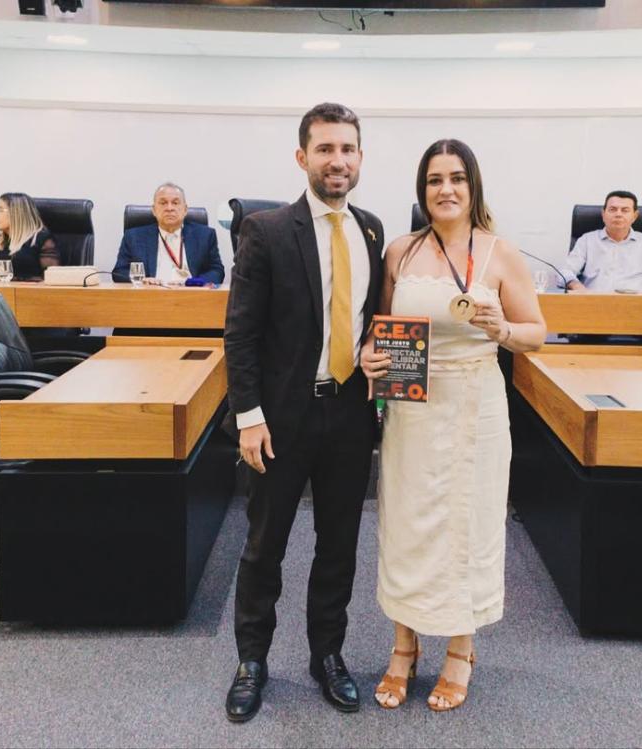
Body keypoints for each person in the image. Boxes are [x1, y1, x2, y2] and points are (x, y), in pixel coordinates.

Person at [361, 139, 546, 712]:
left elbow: (537, 331)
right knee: (409, 522)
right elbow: (380, 327)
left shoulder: (500, 253)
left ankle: (461, 650)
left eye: (457, 179)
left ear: (473, 187)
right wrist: (369, 353)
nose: (446, 189)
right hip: (412, 406)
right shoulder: (399, 251)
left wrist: (503, 330)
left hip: (476, 404)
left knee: (468, 525)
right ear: (422, 191)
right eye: (435, 179)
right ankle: (403, 646)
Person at [222, 103, 384, 723]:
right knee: (265, 545)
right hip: (281, 420)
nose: (337, 160)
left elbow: (369, 317)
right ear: (302, 158)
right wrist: (249, 417)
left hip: (348, 416)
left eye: (347, 149)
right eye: (324, 149)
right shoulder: (265, 231)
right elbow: (240, 336)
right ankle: (252, 661)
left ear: (361, 158)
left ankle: (328, 657)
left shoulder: (371, 228)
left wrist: (372, 345)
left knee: (339, 544)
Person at [559, 190, 642, 292]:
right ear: (603, 214)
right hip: (593, 305)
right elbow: (564, 271)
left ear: (635, 216)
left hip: (636, 307)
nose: (618, 214)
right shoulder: (586, 241)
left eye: (625, 210)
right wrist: (578, 287)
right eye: (613, 209)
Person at [111, 183, 224, 286]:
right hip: (150, 296)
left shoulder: (205, 235)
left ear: (185, 210)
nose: (169, 208)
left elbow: (217, 271)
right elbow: (119, 272)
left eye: (175, 203)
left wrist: (193, 282)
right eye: (163, 203)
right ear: (154, 210)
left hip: (191, 295)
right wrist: (143, 280)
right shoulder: (134, 237)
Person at [0, 193, 59, 280]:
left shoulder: (41, 239)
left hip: (31, 296)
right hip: (1, 295)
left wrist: (8, 276)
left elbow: (52, 277)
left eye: (1, 210)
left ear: (16, 213)